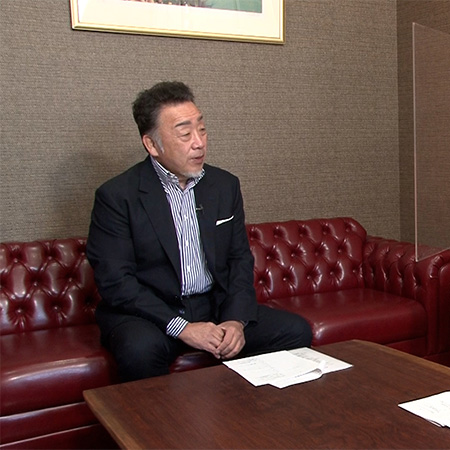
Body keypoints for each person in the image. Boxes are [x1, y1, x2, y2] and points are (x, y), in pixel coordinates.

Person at [87, 81, 312, 382]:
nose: (199, 143)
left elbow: (239, 259)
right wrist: (182, 327)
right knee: (140, 351)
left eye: (202, 130)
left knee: (295, 331)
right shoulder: (117, 196)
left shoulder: (224, 186)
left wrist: (235, 320)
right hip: (151, 313)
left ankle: (238, 408)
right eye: (185, 134)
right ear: (152, 145)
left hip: (212, 306)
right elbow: (116, 282)